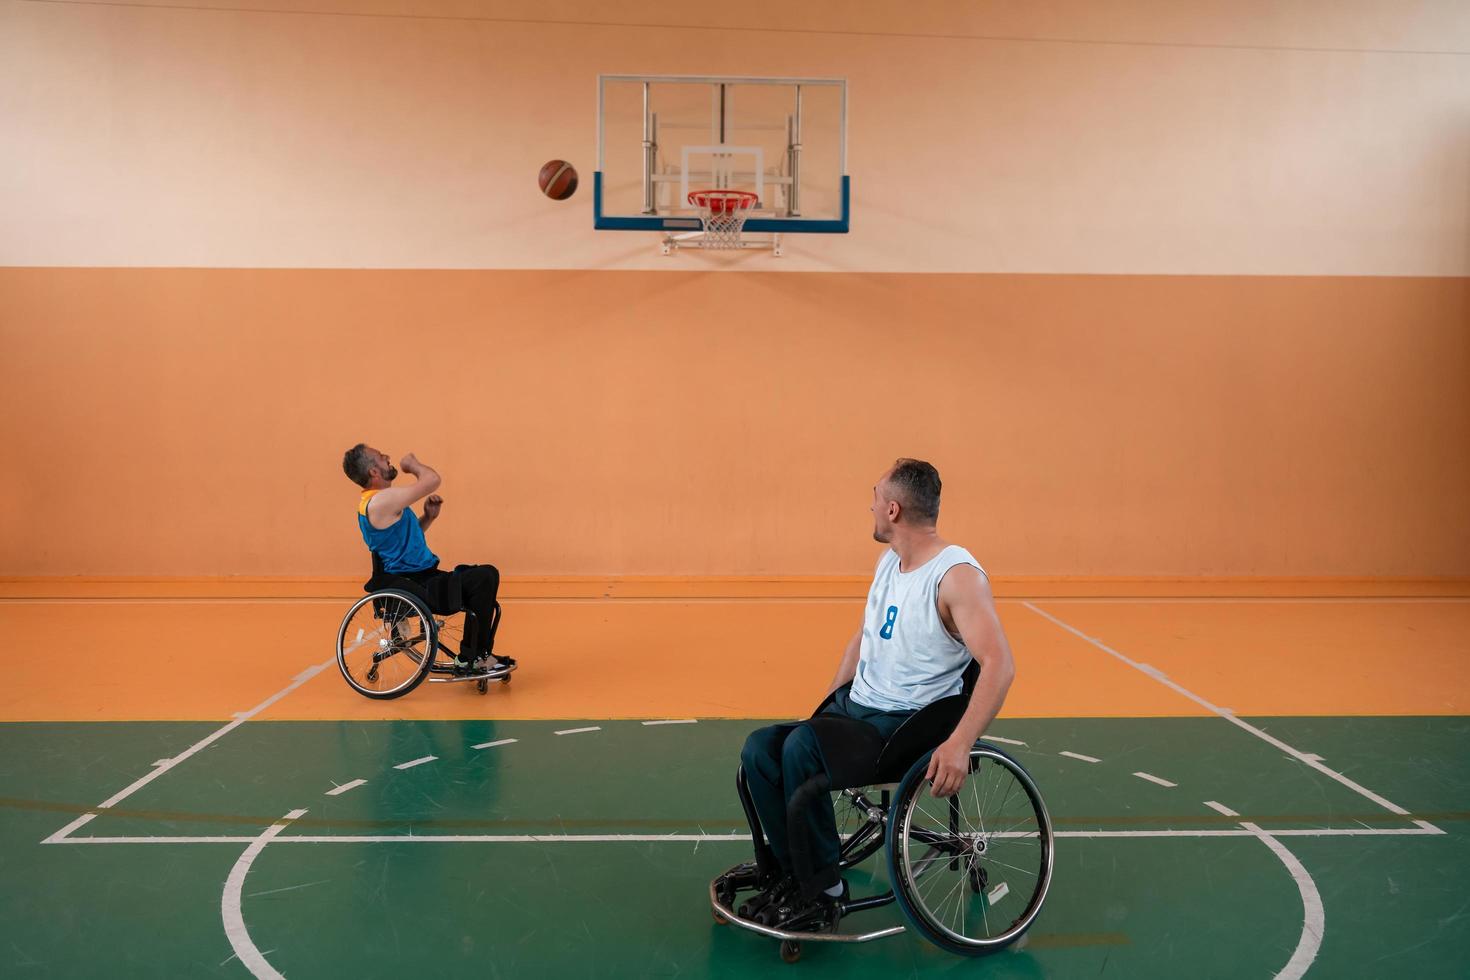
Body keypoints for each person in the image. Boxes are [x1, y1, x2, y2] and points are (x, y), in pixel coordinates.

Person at [737, 458, 1015, 930]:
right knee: (762, 748)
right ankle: (792, 871)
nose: (868, 505)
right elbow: (866, 634)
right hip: (859, 710)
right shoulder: (890, 562)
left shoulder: (956, 577)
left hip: (905, 724)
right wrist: (827, 702)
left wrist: (959, 743)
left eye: (874, 497)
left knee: (803, 752)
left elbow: (999, 665)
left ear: (892, 509)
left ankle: (824, 887)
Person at [340, 444, 512, 673]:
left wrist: (428, 518)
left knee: (480, 579)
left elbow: (405, 543)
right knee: (484, 576)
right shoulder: (380, 502)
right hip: (413, 583)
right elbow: (431, 480)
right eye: (381, 457)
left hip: (420, 575)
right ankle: (475, 658)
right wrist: (412, 465)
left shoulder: (381, 503)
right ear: (373, 471)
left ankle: (474, 656)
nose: (387, 457)